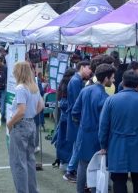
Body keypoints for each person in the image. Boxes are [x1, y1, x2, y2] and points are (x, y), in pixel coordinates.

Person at [99, 70, 138, 193]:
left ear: (123, 82)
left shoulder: (111, 100)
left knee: (119, 181)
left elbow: (103, 126)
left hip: (117, 145)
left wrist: (103, 145)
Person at [72, 64, 116, 193]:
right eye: (112, 78)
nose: (113, 80)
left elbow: (75, 112)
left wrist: (82, 126)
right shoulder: (105, 98)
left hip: (83, 134)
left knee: (83, 166)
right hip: (98, 138)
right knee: (99, 169)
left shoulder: (85, 90)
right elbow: (106, 124)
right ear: (106, 78)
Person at [6, 61, 44, 193]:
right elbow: (41, 106)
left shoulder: (21, 88)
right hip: (31, 124)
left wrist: (10, 124)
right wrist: (31, 114)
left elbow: (21, 110)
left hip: (21, 125)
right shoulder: (34, 87)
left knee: (18, 163)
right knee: (29, 161)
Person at [64, 60, 92, 182]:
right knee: (77, 145)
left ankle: (71, 170)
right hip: (75, 117)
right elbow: (77, 102)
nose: (90, 71)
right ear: (82, 67)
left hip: (75, 116)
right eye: (89, 68)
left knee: (77, 145)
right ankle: (69, 171)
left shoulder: (77, 80)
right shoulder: (75, 81)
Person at [52, 68, 76, 167]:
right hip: (67, 111)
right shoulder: (72, 83)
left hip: (63, 109)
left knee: (62, 137)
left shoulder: (62, 82)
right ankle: (65, 162)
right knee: (68, 139)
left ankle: (61, 160)